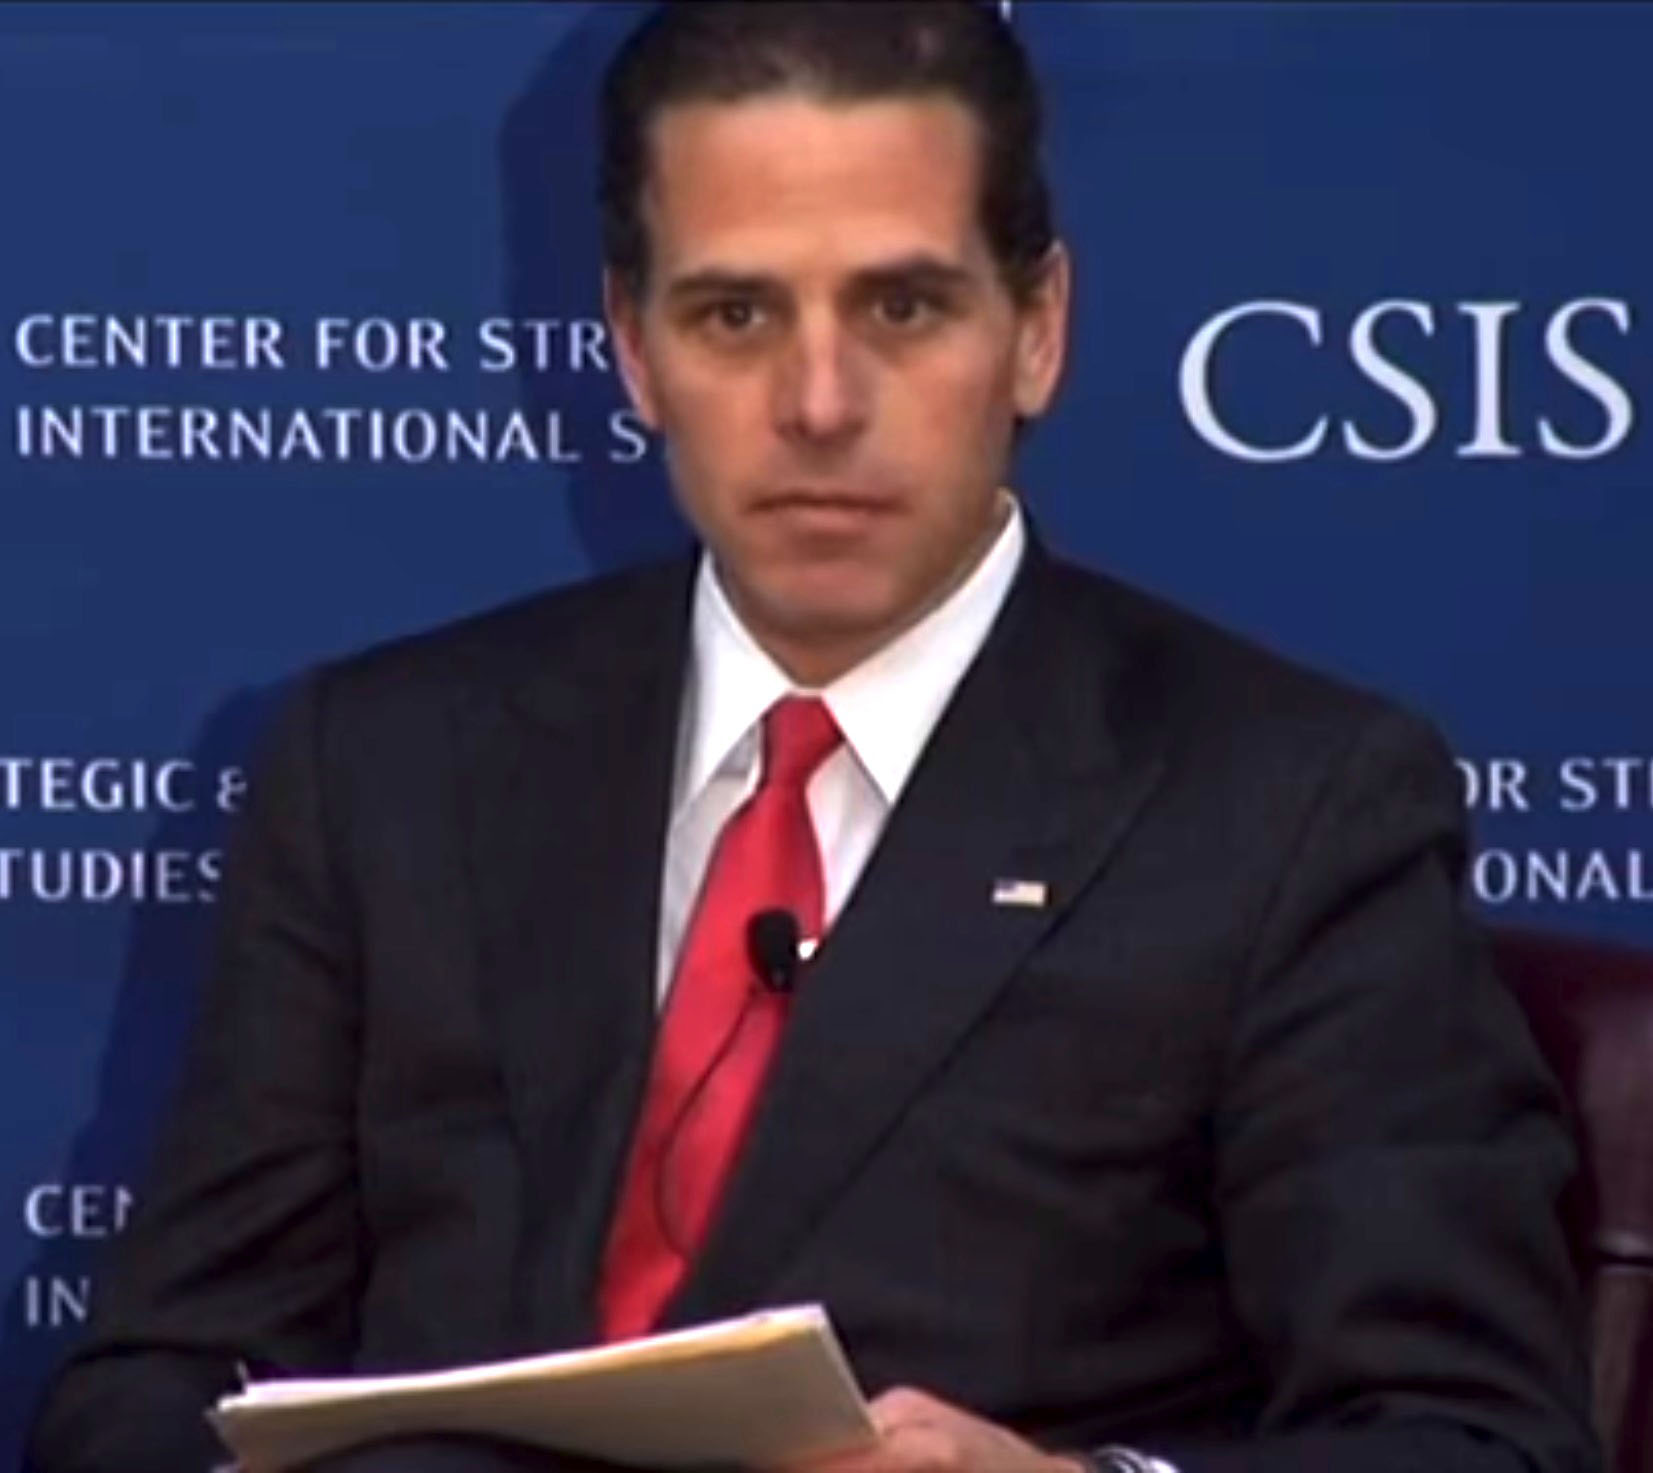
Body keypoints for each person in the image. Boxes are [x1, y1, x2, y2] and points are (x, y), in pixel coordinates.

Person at [28, 4, 1599, 1472]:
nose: (821, 401)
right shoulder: (381, 765)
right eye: (734, 314)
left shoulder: (1289, 800)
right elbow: (153, 1388)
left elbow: (1470, 1434)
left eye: (902, 306)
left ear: (1036, 328)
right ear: (632, 347)